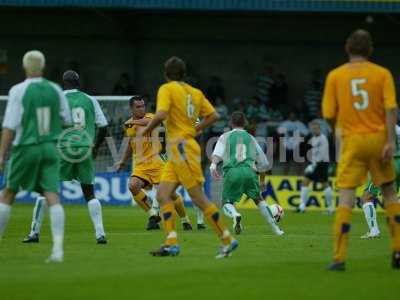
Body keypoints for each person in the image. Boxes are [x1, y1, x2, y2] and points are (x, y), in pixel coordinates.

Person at [140, 56, 238, 258]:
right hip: (180, 149)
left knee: (197, 197)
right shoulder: (195, 92)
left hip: (181, 148)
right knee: (162, 195)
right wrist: (195, 129)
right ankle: (171, 242)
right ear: (184, 74)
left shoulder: (166, 89)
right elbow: (214, 115)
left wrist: (147, 130)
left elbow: (160, 114)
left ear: (166, 74)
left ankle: (227, 240)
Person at [322, 29, 400, 270]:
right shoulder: (382, 74)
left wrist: (340, 131)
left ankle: (339, 258)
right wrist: (389, 141)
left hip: (352, 140)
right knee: (389, 193)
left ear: (347, 48)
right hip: (378, 139)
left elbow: (328, 114)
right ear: (370, 50)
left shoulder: (335, 76)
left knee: (346, 195)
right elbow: (390, 109)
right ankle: (397, 252)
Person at [0, 50, 71, 262]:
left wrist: (2, 154)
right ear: (43, 67)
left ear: (24, 67)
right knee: (52, 195)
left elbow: (10, 126)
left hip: (26, 147)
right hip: (50, 147)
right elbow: (67, 120)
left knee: (8, 193)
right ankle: (58, 250)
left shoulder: (18, 90)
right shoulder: (55, 89)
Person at [22, 70, 109, 244]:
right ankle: (100, 234)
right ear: (79, 82)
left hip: (62, 148)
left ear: (64, 83)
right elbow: (104, 126)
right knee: (89, 193)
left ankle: (34, 233)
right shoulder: (90, 100)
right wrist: (95, 146)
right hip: (84, 148)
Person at [114, 96, 192, 231]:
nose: (141, 109)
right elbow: (129, 144)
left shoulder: (151, 118)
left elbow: (147, 123)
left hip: (158, 163)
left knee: (171, 194)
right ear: (131, 108)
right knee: (133, 186)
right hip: (141, 166)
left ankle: (185, 219)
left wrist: (133, 123)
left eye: (143, 106)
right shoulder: (128, 125)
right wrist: (122, 161)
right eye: (138, 107)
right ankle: (153, 215)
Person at [210, 111, 284, 236]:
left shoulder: (225, 136)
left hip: (232, 172)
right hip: (250, 172)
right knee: (259, 200)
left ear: (231, 122)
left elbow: (217, 154)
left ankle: (235, 215)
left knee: (226, 203)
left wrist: (213, 165)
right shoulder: (251, 138)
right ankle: (276, 230)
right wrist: (261, 181)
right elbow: (263, 163)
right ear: (244, 123)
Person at [360, 124, 400, 239]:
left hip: (388, 164)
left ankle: (374, 230)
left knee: (366, 197)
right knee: (391, 198)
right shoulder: (397, 128)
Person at [297, 120, 333, 213]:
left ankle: (330, 208)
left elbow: (322, 154)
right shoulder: (313, 139)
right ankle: (302, 207)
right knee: (305, 182)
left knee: (325, 184)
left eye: (316, 128)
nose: (314, 130)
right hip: (314, 164)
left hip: (322, 164)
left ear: (319, 129)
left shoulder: (323, 138)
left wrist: (313, 166)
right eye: (313, 128)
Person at [277, 110, 309, 175]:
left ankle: (299, 178)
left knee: (300, 164)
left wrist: (299, 136)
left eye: (294, 115)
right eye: (291, 115)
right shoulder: (284, 124)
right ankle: (285, 178)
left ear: (296, 116)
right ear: (289, 116)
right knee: (286, 164)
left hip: (297, 146)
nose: (292, 116)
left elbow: (306, 134)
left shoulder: (300, 124)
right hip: (286, 146)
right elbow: (279, 133)